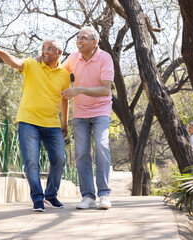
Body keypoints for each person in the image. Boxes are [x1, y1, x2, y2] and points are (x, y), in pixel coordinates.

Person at [0, 39, 70, 212]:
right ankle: (38, 198)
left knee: (60, 160)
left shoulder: (64, 74)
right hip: (28, 122)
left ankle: (51, 195)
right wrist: (0, 52)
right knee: (31, 161)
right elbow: (15, 62)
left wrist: (65, 123)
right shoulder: (32, 64)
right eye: (43, 48)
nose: (45, 52)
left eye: (50, 49)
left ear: (59, 53)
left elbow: (64, 99)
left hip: (52, 124)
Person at [61, 26, 114, 209]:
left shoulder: (105, 58)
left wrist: (80, 89)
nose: (79, 41)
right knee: (82, 153)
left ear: (94, 42)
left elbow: (105, 89)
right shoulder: (74, 58)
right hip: (81, 113)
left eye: (83, 38)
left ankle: (104, 194)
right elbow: (59, 73)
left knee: (102, 145)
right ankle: (88, 196)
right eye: (77, 38)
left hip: (101, 110)